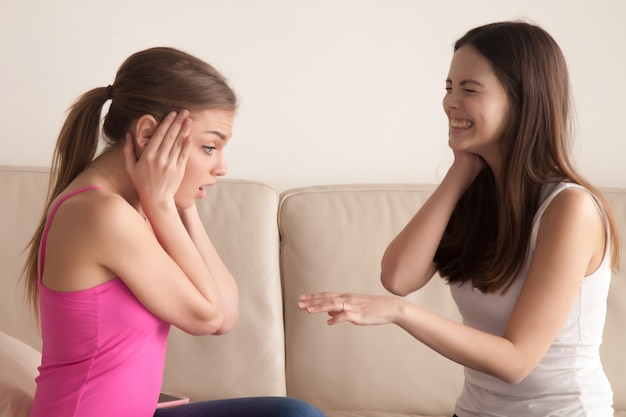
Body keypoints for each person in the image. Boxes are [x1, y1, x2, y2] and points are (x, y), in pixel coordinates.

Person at [298, 21, 620, 417]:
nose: (450, 102)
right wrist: (461, 170)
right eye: (449, 88)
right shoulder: (476, 192)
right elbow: (398, 278)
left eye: (469, 89)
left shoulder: (569, 209)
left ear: (521, 100)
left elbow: (516, 361)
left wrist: (401, 314)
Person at [22, 46, 325, 417]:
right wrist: (163, 205)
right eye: (209, 147)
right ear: (149, 133)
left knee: (291, 413)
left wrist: (181, 206)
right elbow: (207, 317)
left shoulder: (132, 206)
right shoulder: (100, 213)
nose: (221, 167)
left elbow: (226, 315)